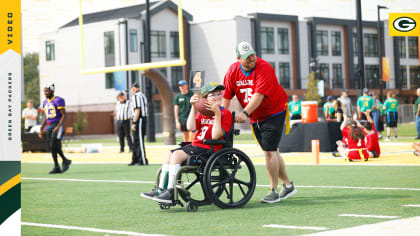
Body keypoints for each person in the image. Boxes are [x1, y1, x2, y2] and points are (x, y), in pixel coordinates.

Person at [222, 41, 296, 203]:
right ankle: (288, 186)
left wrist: (245, 113)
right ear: (238, 58)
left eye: (253, 55)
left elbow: (258, 96)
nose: (251, 59)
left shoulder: (264, 67)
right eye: (247, 57)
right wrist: (222, 116)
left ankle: (273, 191)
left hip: (274, 111)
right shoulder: (233, 71)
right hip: (256, 117)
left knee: (269, 152)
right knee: (272, 151)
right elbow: (226, 96)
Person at [141, 82, 233, 203]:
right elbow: (190, 127)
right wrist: (193, 107)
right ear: (204, 99)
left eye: (218, 94)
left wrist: (217, 114)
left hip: (211, 148)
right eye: (212, 95)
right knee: (169, 153)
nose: (217, 97)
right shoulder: (201, 113)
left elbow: (216, 136)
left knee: (176, 155)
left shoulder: (225, 113)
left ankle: (170, 191)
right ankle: (161, 189)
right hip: (197, 147)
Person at [38, 84, 72, 174]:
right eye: (44, 91)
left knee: (54, 145)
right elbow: (46, 115)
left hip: (57, 124)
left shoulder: (58, 100)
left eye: (47, 91)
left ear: (52, 91)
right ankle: (59, 164)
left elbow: (64, 115)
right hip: (49, 125)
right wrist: (41, 128)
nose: (45, 93)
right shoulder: (45, 102)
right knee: (52, 146)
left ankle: (63, 162)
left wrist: (58, 126)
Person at [130, 82, 148, 166]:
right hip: (139, 119)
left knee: (139, 140)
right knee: (136, 140)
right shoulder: (141, 95)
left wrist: (134, 122)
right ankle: (135, 159)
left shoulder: (137, 96)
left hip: (139, 119)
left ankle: (142, 160)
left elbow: (137, 110)